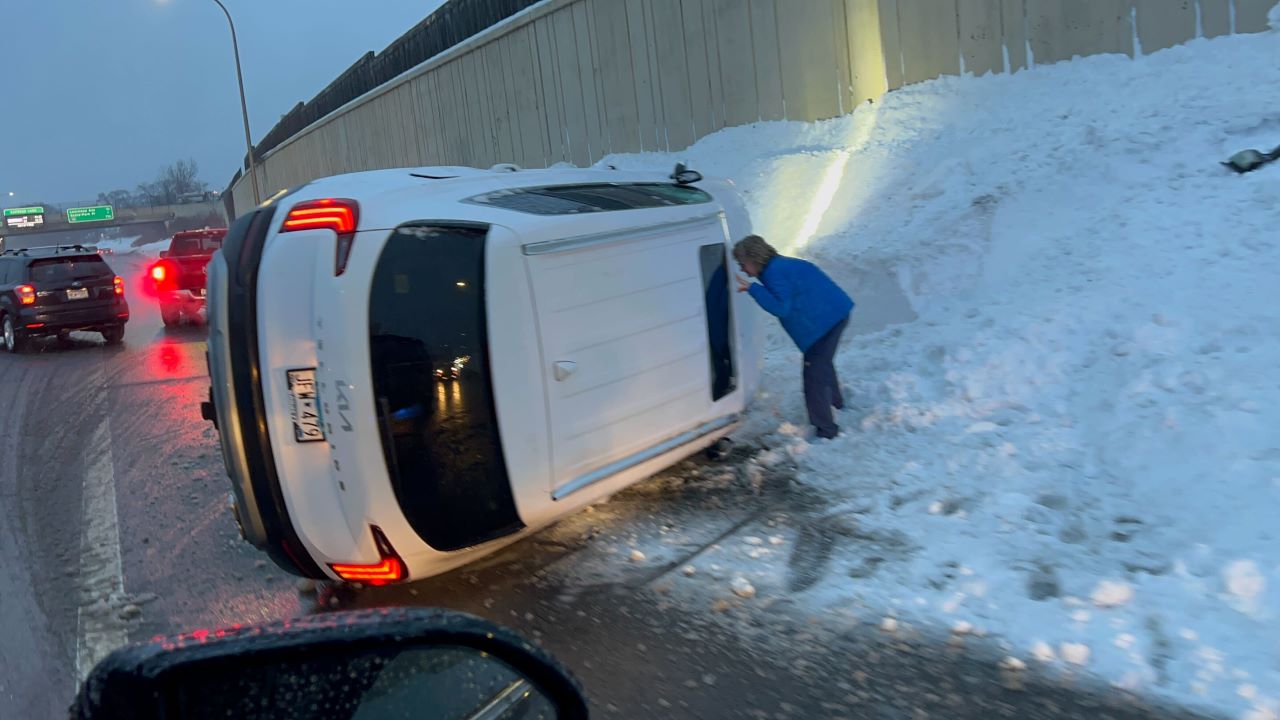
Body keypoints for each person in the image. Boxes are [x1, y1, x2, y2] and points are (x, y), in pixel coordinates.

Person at [733, 235, 854, 439]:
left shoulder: (774, 273)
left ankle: (826, 431)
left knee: (814, 375)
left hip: (825, 323)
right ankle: (836, 404)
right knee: (820, 363)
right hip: (833, 315)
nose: (742, 269)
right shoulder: (779, 266)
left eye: (742, 264)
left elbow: (782, 308)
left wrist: (752, 289)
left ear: (753, 259)